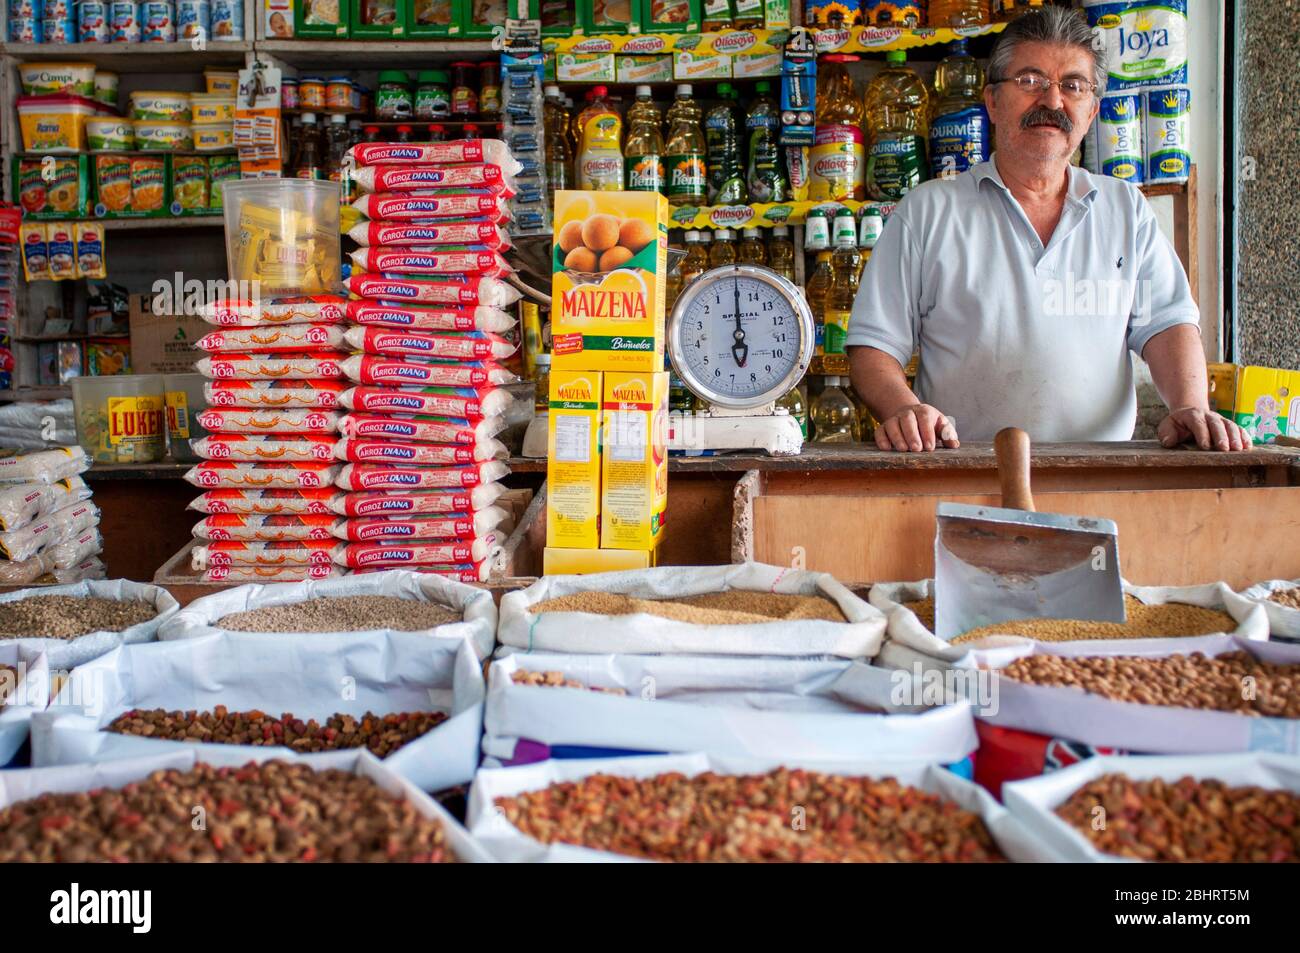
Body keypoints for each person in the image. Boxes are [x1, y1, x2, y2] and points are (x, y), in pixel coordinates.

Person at [846, 6, 1249, 453]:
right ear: (993, 102)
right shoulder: (927, 211)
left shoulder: (1125, 208)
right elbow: (872, 346)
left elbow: (1168, 325)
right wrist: (904, 409)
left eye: (1072, 86)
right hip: (964, 471)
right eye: (1030, 81)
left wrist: (1191, 406)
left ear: (1092, 111)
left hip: (1100, 476)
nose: (1052, 102)